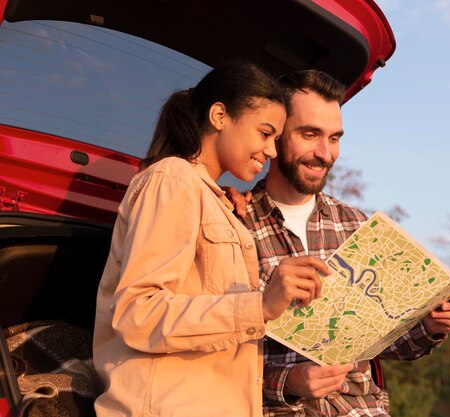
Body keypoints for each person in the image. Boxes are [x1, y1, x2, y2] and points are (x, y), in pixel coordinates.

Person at [92, 62, 327, 417]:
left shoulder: (217, 201)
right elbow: (138, 313)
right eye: (265, 133)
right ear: (219, 115)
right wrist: (259, 306)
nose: (272, 152)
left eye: (276, 140)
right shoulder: (173, 179)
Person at [233, 70, 450, 416]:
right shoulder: (233, 225)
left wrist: (432, 325)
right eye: (310, 134)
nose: (325, 153)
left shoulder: (358, 227)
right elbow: (210, 353)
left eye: (334, 138)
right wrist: (288, 382)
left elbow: (386, 344)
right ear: (276, 135)